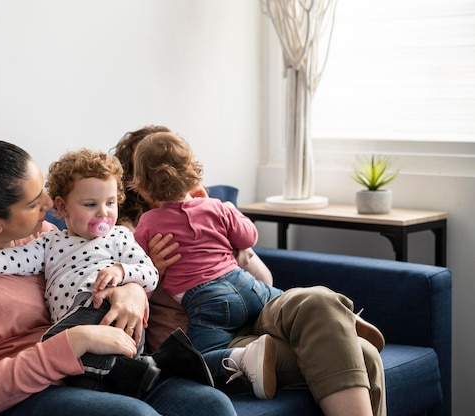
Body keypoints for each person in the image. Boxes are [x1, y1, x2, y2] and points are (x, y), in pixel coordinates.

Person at [0, 128, 237, 416]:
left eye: (41, 189)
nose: (48, 202)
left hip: (102, 361)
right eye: (33, 202)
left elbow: (102, 267)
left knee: (212, 404)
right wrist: (76, 340)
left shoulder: (38, 233)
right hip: (27, 394)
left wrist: (132, 291)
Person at [112, 125, 387, 416]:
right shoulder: (124, 235)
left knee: (318, 299)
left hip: (255, 307)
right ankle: (339, 319)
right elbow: (124, 307)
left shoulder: (208, 210)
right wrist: (151, 271)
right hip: (222, 337)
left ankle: (333, 315)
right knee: (364, 354)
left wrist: (231, 247)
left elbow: (264, 276)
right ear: (132, 182)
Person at [0, 148, 162, 398]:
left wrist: (122, 272)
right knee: (88, 379)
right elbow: (21, 258)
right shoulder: (50, 241)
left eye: (110, 203)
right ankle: (144, 373)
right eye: (90, 204)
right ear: (63, 208)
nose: (103, 213)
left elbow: (150, 274)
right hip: (76, 329)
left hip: (107, 312)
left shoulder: (119, 236)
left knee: (63, 338)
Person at [132, 131, 282, 399]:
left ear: (142, 186)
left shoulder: (148, 224)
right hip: (246, 284)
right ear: (194, 174)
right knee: (288, 302)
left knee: (196, 361)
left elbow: (136, 267)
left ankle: (242, 358)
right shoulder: (216, 207)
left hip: (209, 303)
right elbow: (249, 237)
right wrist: (230, 212)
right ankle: (340, 314)